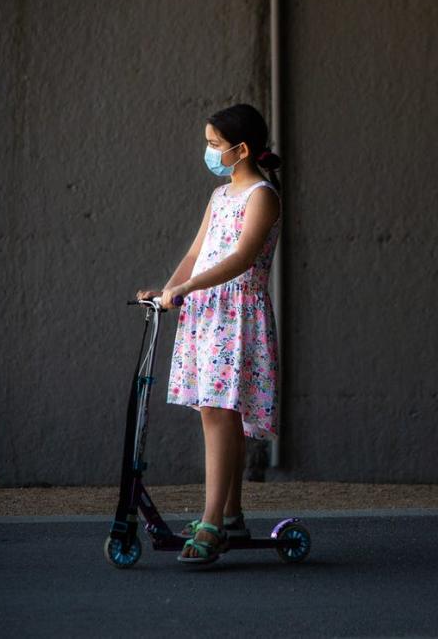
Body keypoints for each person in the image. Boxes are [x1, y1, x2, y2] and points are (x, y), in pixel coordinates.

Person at [136, 103, 283, 563]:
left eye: (215, 145)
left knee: (220, 416)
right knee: (218, 415)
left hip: (235, 315)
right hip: (206, 314)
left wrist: (186, 287)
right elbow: (198, 252)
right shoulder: (220, 196)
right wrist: (168, 288)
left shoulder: (262, 194)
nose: (208, 151)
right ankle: (231, 515)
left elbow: (240, 259)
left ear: (241, 150)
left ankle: (213, 522)